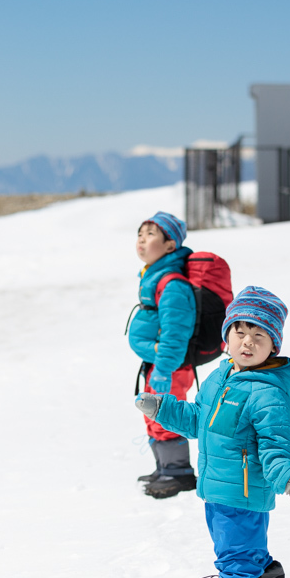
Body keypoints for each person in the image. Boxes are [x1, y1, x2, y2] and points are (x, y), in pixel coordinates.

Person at [135, 286, 290, 578]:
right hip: (220, 488)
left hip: (242, 492)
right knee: (245, 549)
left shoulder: (266, 393)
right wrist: (162, 408)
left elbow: (275, 445)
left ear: (274, 345)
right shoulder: (222, 377)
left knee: (235, 553)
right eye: (240, 332)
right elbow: (199, 421)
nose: (247, 343)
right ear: (227, 336)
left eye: (259, 335)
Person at [129, 212, 197, 499]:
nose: (142, 240)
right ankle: (164, 466)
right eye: (140, 234)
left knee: (166, 415)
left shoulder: (172, 284)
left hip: (169, 367)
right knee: (153, 415)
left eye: (150, 234)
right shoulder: (155, 277)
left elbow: (176, 333)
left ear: (170, 245)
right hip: (157, 364)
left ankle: (178, 473)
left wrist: (164, 369)